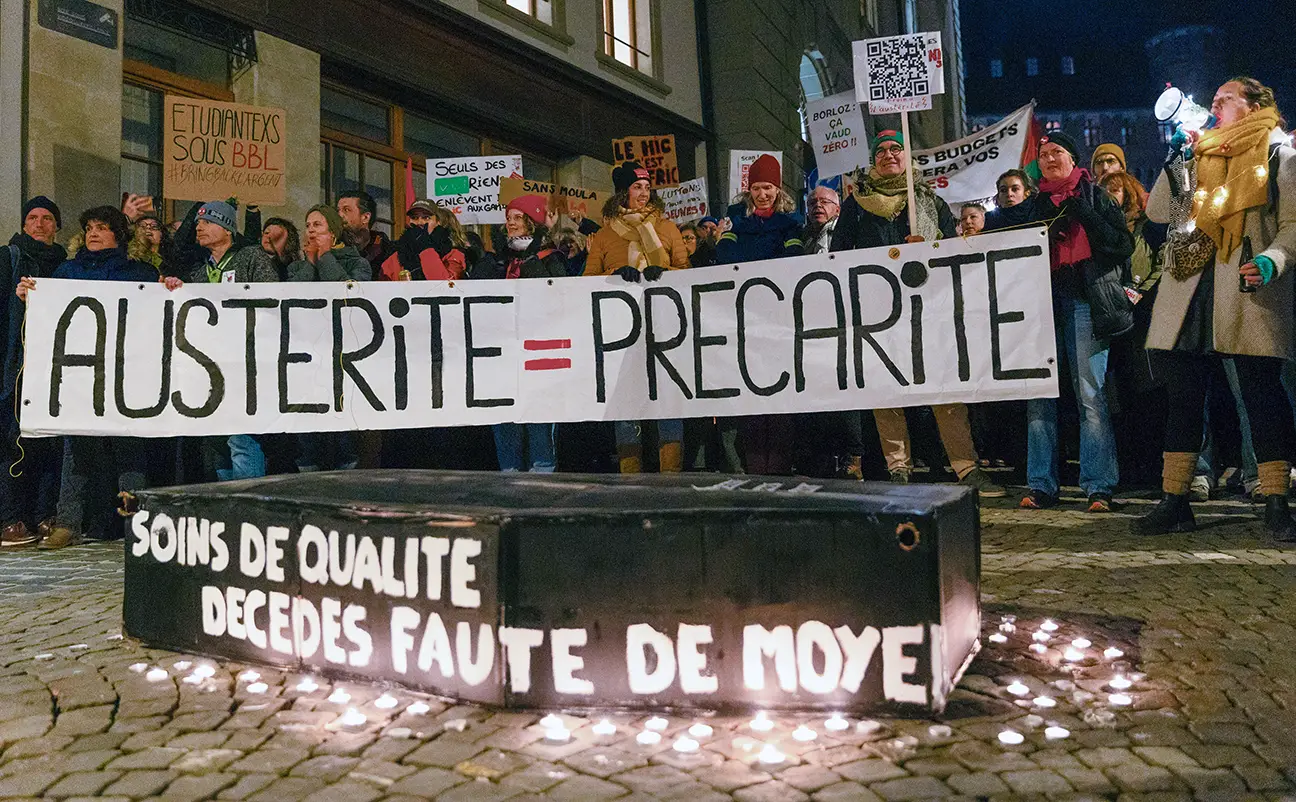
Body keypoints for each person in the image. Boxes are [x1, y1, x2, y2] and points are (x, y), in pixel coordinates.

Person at [1137, 77, 1296, 539]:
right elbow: (1159, 213)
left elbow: (1292, 225)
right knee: (1183, 399)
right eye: (1214, 99)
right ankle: (1176, 502)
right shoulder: (1198, 155)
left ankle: (1276, 503)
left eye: (1226, 98)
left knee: (1262, 396)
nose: (1214, 104)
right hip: (1192, 287)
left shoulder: (1278, 154)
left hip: (1245, 287)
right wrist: (1177, 161)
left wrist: (1272, 260)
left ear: (1253, 106)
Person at [830, 131, 1004, 497]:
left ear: (907, 158)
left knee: (942, 386)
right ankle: (898, 466)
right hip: (878, 309)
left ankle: (965, 466)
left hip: (927, 308)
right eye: (881, 151)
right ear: (873, 160)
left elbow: (949, 252)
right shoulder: (856, 204)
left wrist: (927, 249)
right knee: (887, 390)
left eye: (896, 149)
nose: (889, 155)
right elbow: (840, 253)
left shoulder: (927, 201)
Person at [15, 206, 173, 549]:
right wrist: (31, 294)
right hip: (79, 375)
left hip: (125, 374)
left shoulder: (139, 273)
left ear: (118, 234)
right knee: (77, 451)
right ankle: (68, 522)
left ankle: (132, 521)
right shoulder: (67, 271)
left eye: (102, 227)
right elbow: (49, 309)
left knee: (128, 450)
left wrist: (170, 288)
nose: (93, 233)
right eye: (89, 228)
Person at [1016, 130, 1133, 513]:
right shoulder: (1035, 205)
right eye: (1044, 154)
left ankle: (1098, 485)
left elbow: (1121, 245)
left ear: (1072, 158)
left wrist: (1084, 215)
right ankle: (1041, 484)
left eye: (1057, 152)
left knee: (1090, 395)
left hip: (1086, 304)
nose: (1049, 158)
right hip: (1043, 308)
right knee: (1039, 397)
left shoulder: (1095, 196)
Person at [585, 161, 690, 473]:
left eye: (647, 187)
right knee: (627, 407)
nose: (644, 193)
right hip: (622, 332)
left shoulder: (668, 229)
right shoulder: (605, 235)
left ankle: (670, 480)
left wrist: (664, 271)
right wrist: (614, 274)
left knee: (668, 404)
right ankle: (631, 481)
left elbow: (686, 273)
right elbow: (587, 279)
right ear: (623, 193)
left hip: (665, 329)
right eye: (636, 187)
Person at [185, 201, 279, 482]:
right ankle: (229, 507)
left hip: (245, 363)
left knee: (241, 438)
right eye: (198, 223)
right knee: (217, 441)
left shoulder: (251, 257)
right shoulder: (201, 271)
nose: (199, 227)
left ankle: (249, 508)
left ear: (228, 230)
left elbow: (271, 301)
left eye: (208, 222)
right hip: (211, 366)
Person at [0, 197, 67, 547]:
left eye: (47, 218)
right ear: (24, 225)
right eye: (33, 218)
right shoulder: (8, 259)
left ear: (57, 226)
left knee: (47, 443)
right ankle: (10, 519)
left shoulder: (65, 266)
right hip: (15, 369)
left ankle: (42, 514)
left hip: (52, 371)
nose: (39, 224)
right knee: (12, 443)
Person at [288, 205, 372, 473]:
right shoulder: (295, 268)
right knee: (307, 427)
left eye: (318, 226)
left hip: (344, 355)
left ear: (334, 233)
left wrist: (325, 257)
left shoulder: (358, 263)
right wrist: (310, 262)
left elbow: (347, 297)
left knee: (343, 427)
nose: (311, 231)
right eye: (308, 225)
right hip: (307, 355)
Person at [381, 200, 467, 281]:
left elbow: (443, 287)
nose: (420, 222)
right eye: (414, 218)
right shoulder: (396, 256)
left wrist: (426, 248)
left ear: (438, 222)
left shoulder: (452, 254)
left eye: (426, 218)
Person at [337, 190, 395, 279]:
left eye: (346, 210)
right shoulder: (334, 248)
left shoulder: (388, 253)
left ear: (365, 217)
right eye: (338, 210)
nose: (339, 215)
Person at [804, 186, 841, 254]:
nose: (817, 205)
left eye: (824, 202)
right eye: (812, 203)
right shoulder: (801, 235)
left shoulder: (844, 232)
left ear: (837, 210)